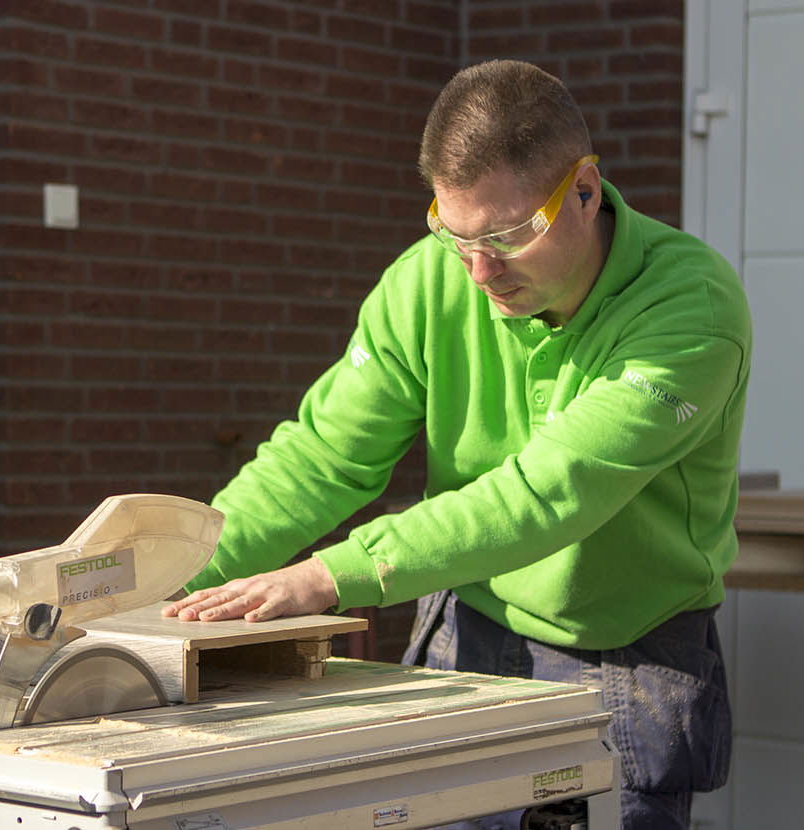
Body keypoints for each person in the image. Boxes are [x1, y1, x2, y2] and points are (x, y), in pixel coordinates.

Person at [163, 59, 749, 830]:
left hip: (627, 654)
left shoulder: (688, 307)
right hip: (468, 622)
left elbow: (549, 493)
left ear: (584, 189)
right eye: (453, 232)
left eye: (508, 236)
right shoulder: (427, 281)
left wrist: (330, 575)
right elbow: (322, 457)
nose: (479, 271)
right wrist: (172, 580)